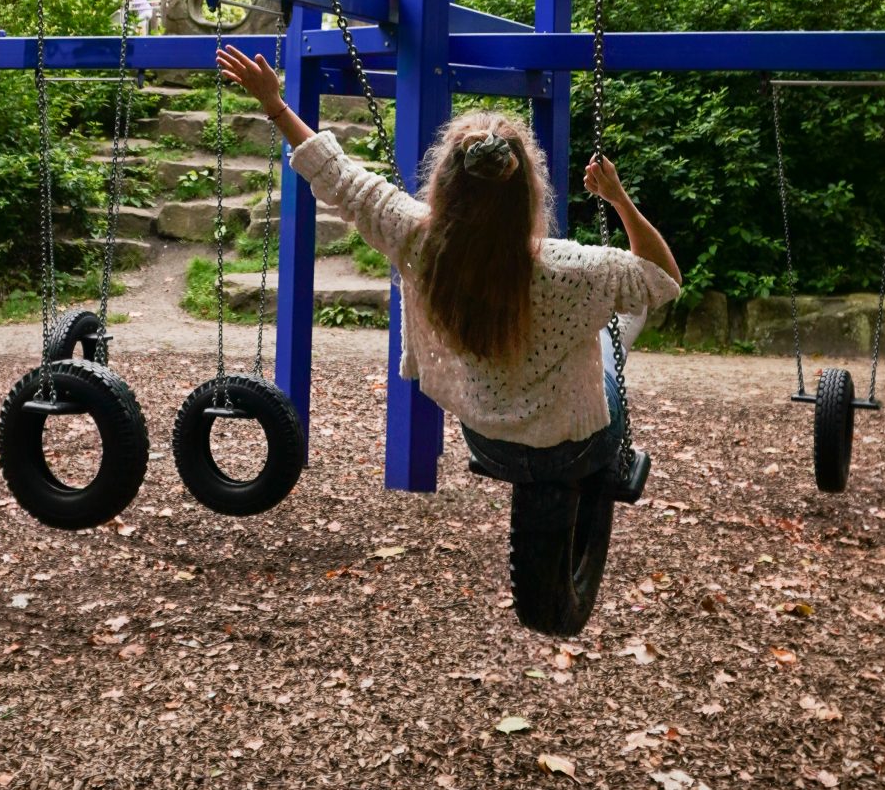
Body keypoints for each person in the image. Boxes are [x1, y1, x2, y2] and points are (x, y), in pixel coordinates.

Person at [214, 45, 681, 498]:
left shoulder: (416, 237)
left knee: (597, 321)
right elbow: (661, 279)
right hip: (572, 447)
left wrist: (274, 104)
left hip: (488, 440)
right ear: (528, 195)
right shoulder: (571, 268)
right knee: (608, 332)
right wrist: (618, 198)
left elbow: (337, 175)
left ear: (446, 182)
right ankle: (614, 467)